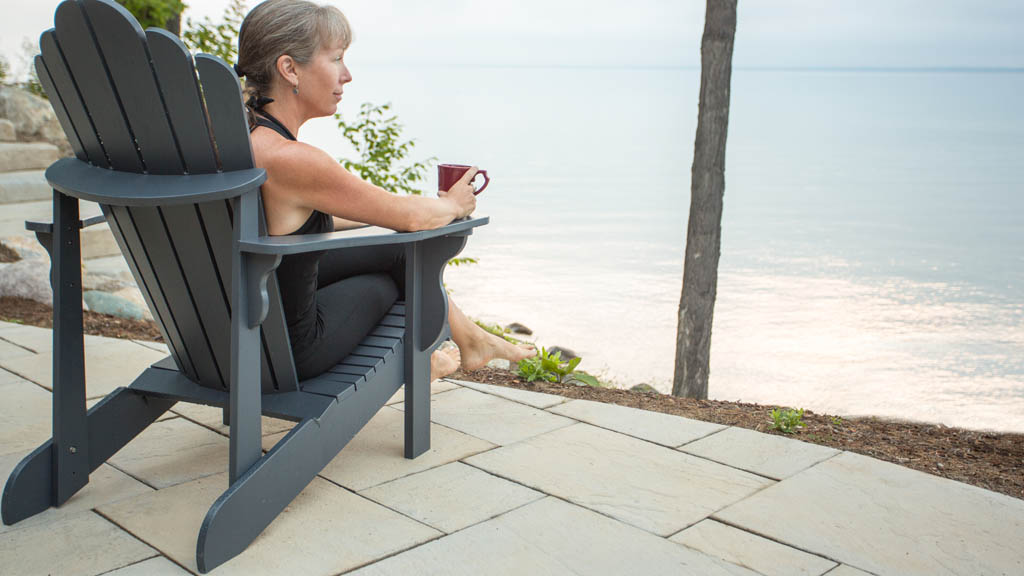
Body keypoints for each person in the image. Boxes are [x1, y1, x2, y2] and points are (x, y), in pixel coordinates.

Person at [235, 0, 534, 382]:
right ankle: (425, 361)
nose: (347, 76)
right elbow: (412, 219)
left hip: (236, 326)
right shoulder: (292, 159)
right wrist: (454, 204)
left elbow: (291, 217)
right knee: (394, 274)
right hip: (285, 350)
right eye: (337, 59)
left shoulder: (238, 137)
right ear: (289, 68)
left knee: (395, 251)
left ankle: (469, 340)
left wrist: (395, 212)